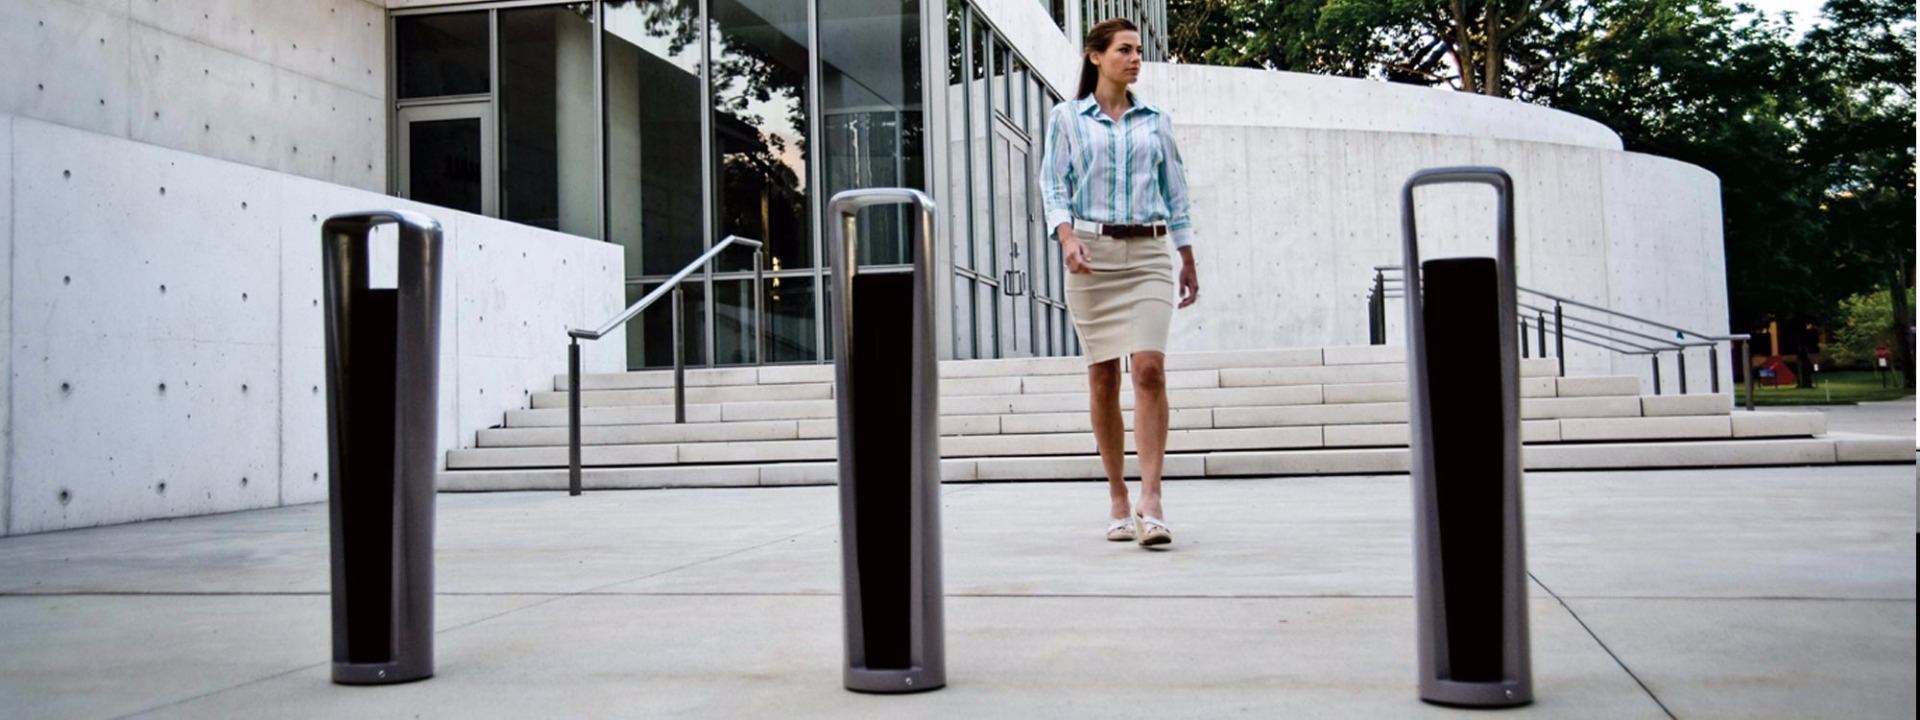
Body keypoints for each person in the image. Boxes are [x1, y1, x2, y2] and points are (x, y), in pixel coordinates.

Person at [1039, 17, 1199, 548]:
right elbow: (1053, 186)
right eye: (1124, 50)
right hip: (1093, 253)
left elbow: (1176, 194)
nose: (1134, 59)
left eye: (1137, 51)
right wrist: (1066, 238)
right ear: (1095, 56)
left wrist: (1187, 256)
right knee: (1104, 377)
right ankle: (1117, 496)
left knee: (1148, 370)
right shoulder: (1067, 119)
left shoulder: (1156, 121)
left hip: (1150, 252)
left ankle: (1151, 500)